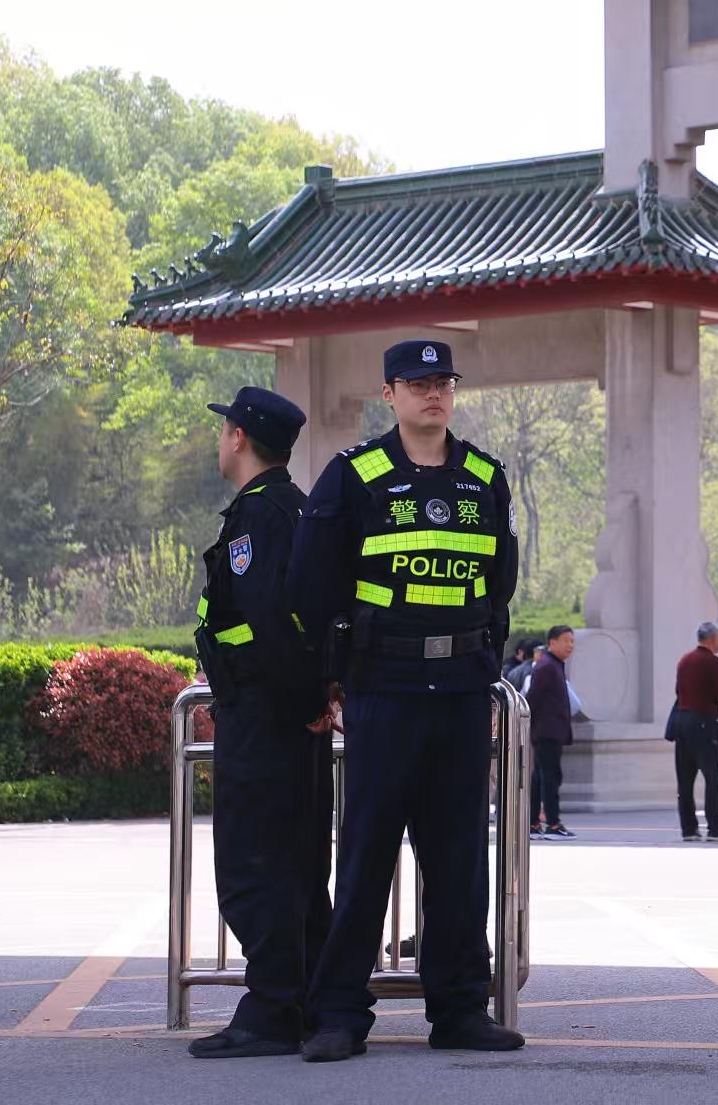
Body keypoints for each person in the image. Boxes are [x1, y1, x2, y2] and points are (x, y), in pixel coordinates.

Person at [292, 339, 523, 1060]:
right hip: (384, 692)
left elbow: (500, 584)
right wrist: (331, 676)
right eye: (418, 384)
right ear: (389, 393)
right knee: (366, 857)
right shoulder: (354, 476)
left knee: (459, 860)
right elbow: (310, 584)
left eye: (443, 382)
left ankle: (459, 1009)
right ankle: (338, 1015)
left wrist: (481, 663)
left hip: (459, 694)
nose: (434, 394)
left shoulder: (484, 477)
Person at [188, 389, 334, 1059]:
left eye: (224, 430)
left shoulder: (257, 518)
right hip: (288, 713)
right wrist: (318, 695)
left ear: (239, 438)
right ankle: (304, 1000)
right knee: (299, 863)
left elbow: (270, 624)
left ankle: (272, 1010)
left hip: (265, 715)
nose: (220, 440)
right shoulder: (297, 508)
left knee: (256, 864)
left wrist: (303, 701)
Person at [673, 622, 718, 842]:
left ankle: (689, 829)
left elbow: (678, 691)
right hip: (703, 724)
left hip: (682, 723)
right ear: (713, 638)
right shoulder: (712, 661)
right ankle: (715, 828)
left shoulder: (684, 660)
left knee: (685, 780)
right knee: (713, 778)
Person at [527, 626, 575, 840]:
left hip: (549, 730)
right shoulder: (547, 666)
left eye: (572, 641)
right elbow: (532, 698)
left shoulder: (553, 665)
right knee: (550, 778)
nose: (570, 645)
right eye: (566, 640)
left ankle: (533, 823)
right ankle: (553, 824)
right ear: (552, 642)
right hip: (547, 731)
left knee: (541, 777)